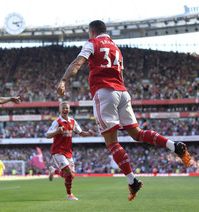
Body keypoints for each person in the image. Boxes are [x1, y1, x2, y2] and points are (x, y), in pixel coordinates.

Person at [57, 20, 191, 201]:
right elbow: (120, 75)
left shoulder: (92, 43)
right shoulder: (116, 49)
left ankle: (133, 181)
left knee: (112, 142)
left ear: (92, 31)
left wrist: (64, 80)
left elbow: (77, 63)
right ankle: (174, 145)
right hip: (122, 92)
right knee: (137, 133)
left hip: (104, 93)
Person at [46, 101, 94, 201]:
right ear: (59, 110)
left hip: (68, 152)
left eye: (66, 108)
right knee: (68, 173)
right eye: (63, 108)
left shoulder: (72, 121)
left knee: (71, 176)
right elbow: (47, 135)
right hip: (58, 151)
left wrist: (88, 134)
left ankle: (53, 170)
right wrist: (57, 131)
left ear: (69, 109)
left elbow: (80, 133)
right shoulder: (57, 122)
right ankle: (69, 195)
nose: (65, 110)